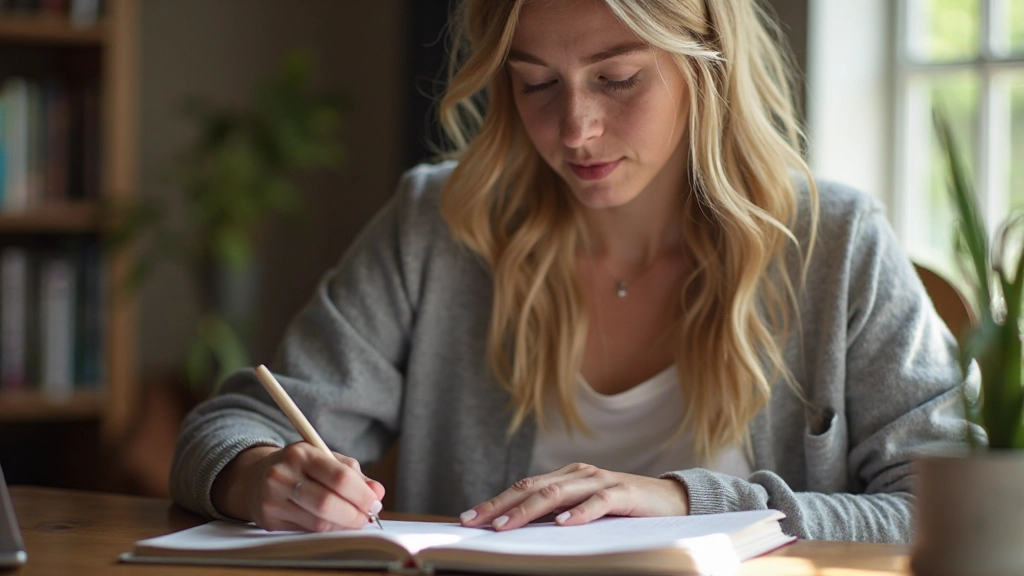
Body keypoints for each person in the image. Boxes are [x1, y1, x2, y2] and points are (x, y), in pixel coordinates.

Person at [170, 0, 970, 543]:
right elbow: (231, 425)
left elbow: (961, 509)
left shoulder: (834, 244)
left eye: (618, 79)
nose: (577, 128)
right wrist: (255, 478)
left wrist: (690, 506)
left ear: (709, 63)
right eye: (536, 83)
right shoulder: (440, 227)